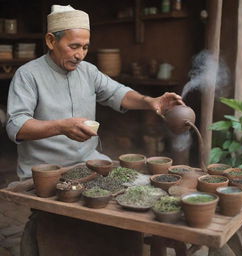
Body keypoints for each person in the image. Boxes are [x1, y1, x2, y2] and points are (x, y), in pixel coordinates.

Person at [6, 4, 183, 180]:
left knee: (136, 183)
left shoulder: (88, 71)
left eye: (85, 47)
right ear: (51, 41)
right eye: (74, 46)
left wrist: (150, 101)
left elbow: (118, 93)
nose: (80, 55)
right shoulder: (28, 75)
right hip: (43, 169)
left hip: (87, 161)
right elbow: (16, 125)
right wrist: (61, 127)